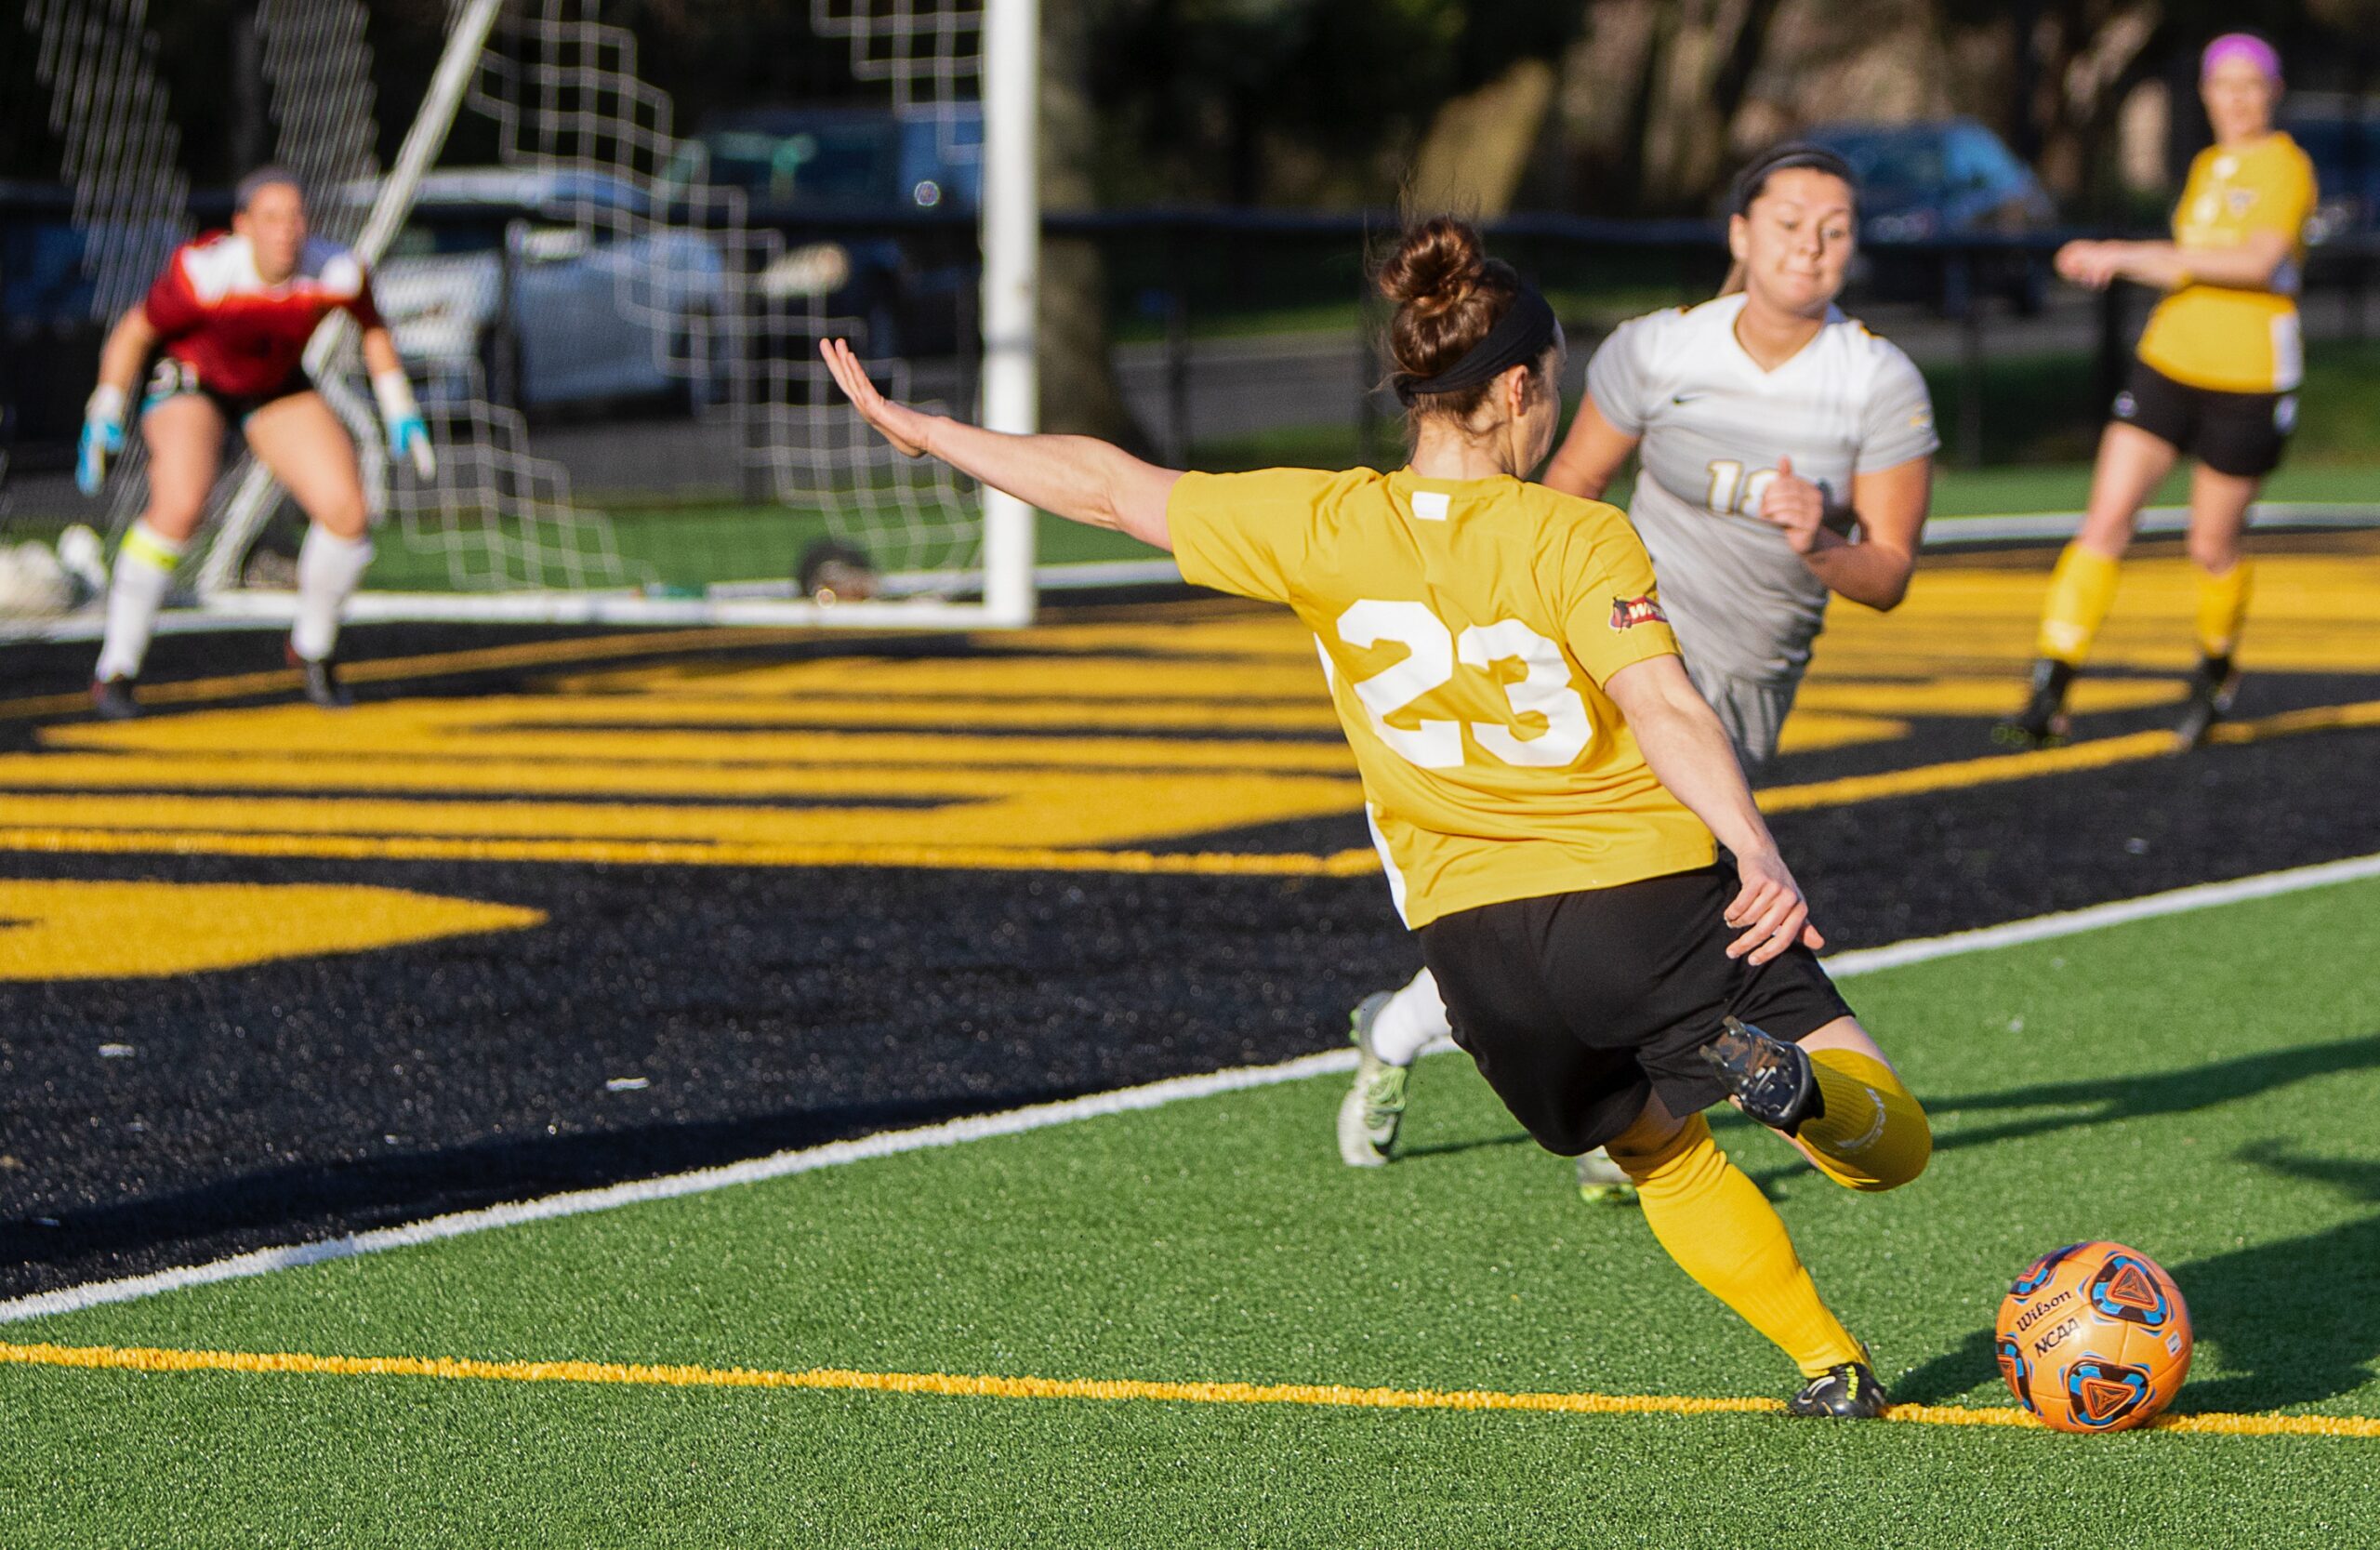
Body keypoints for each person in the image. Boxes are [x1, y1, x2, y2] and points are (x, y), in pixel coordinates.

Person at [819, 216, 1933, 1415]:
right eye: (1550, 385)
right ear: (1512, 387)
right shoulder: (1575, 531)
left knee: (1656, 1149)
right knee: (1888, 1144)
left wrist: (928, 429)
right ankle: (1801, 1095)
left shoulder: (1321, 523)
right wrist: (1754, 844)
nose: (1552, 408)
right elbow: (1661, 702)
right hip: (1639, 898)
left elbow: (1107, 486)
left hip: (1476, 954)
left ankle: (1829, 1365)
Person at [1341, 144, 1937, 1201]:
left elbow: (1885, 572)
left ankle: (1401, 1029)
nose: (1811, 240)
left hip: (1744, 688)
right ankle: (1639, 1130)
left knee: (1611, 919)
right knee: (1603, 903)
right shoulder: (1657, 353)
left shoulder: (1877, 379)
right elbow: (1553, 489)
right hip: (1620, 670)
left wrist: (1819, 542)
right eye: (1790, 218)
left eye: (1836, 225)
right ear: (1740, 234)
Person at [2000, 33, 2316, 749]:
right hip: (2170, 363)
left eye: (2249, 85)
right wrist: (2116, 261)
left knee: (2210, 545)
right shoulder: (2209, 164)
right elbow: (2191, 266)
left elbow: (2257, 261)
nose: (2235, 100)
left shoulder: (2285, 168)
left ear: (2273, 92)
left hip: (2249, 379)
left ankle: (2214, 668)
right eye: (2221, 85)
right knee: (2105, 520)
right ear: (2204, 94)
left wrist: (2128, 255)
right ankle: (2050, 685)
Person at [76, 166, 433, 718]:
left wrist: (400, 408)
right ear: (243, 225)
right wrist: (104, 407)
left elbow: (373, 326)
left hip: (273, 386)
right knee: (181, 505)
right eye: (271, 218)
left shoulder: (335, 270)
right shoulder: (205, 272)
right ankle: (117, 667)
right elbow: (136, 329)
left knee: (347, 510)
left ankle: (312, 651)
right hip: (194, 379)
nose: (286, 231)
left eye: (295, 217)